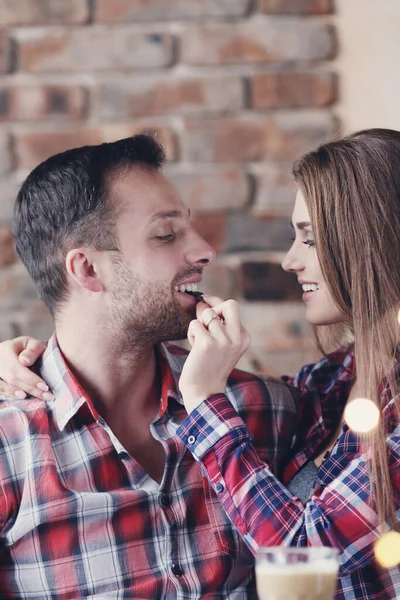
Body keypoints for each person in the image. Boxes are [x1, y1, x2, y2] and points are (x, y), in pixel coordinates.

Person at [3, 129, 399, 599]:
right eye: (167, 234)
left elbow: (310, 548)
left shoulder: (258, 410)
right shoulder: (330, 387)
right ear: (87, 269)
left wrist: (206, 402)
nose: (206, 251)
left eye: (310, 239)